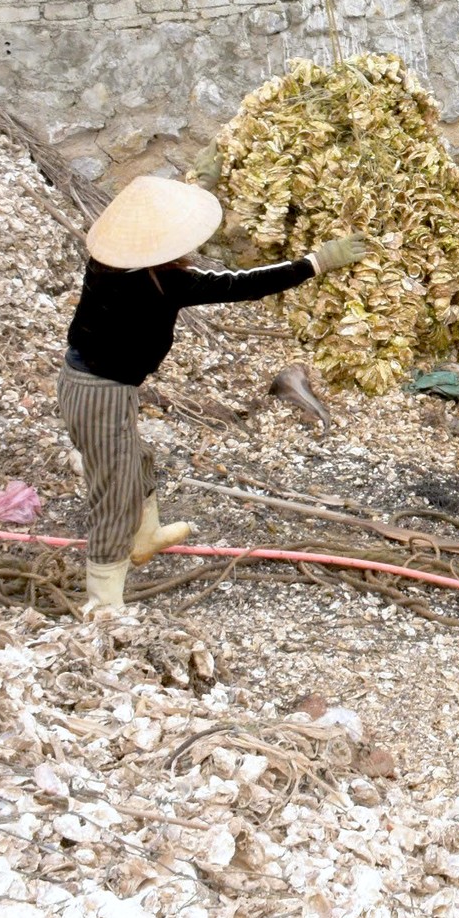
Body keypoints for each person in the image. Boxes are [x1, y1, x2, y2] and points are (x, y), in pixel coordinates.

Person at [59, 175, 367, 616]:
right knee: (115, 493)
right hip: (98, 393)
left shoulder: (109, 262)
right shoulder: (153, 285)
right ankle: (103, 603)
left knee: (137, 461)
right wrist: (315, 263)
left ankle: (146, 537)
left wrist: (196, 179)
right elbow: (240, 284)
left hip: (96, 384)